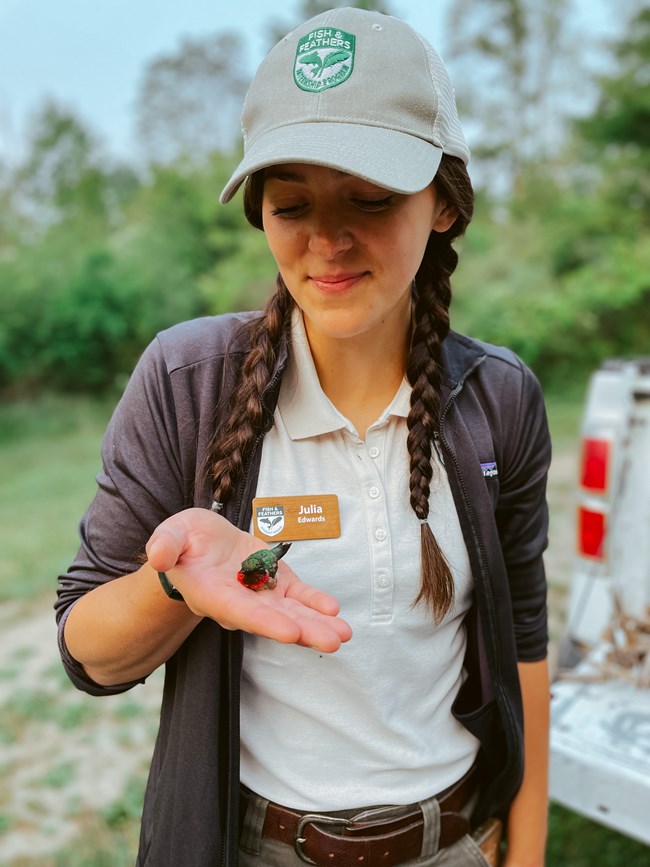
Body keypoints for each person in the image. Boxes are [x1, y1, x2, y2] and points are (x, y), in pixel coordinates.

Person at [55, 7, 551, 866]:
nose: (327, 240)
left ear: (445, 205)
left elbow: (526, 647)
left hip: (454, 843)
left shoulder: (498, 398)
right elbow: (86, 653)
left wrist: (528, 850)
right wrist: (174, 586)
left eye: (371, 198)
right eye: (292, 204)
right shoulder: (188, 383)